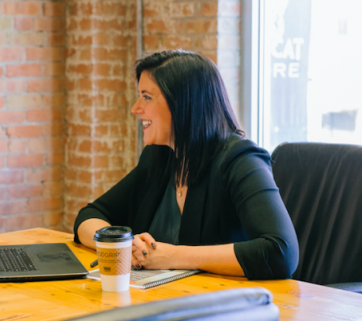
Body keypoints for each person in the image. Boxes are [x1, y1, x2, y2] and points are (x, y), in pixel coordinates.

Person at [73, 50, 299, 280]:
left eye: (147, 97)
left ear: (182, 103)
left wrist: (171, 256)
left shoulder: (241, 160)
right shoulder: (159, 157)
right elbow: (90, 215)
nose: (135, 108)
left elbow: (281, 253)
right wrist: (122, 247)